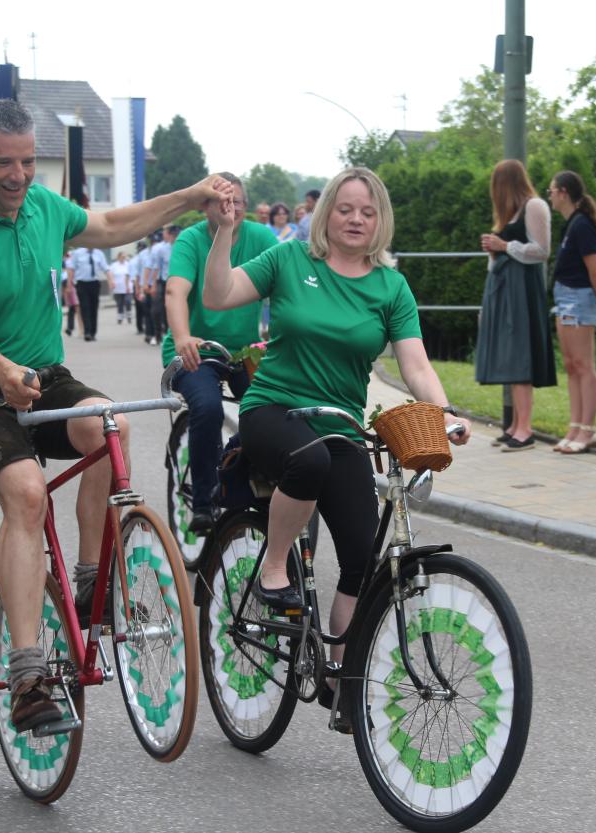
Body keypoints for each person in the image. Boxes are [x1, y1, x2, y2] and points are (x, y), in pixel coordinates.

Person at [0, 99, 231, 734]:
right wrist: (3, 372)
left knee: (107, 424)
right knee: (28, 496)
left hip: (43, 376)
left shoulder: (43, 208)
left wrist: (191, 194)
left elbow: (116, 222)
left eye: (29, 161)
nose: (18, 175)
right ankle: (30, 674)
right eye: (3, 162)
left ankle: (91, 578)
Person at [202, 166, 470, 729]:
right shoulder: (289, 260)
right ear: (328, 213)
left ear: (380, 222)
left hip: (341, 422)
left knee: (359, 557)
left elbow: (415, 363)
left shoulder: (390, 287)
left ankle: (339, 676)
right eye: (346, 208)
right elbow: (219, 294)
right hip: (273, 409)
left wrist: (443, 414)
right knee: (308, 460)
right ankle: (274, 564)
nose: (355, 219)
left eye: (367, 212)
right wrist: (224, 233)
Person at [163, 172, 277, 533]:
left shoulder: (261, 237)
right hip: (198, 349)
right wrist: (183, 337)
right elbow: (175, 292)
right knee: (208, 407)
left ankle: (239, 466)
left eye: (238, 202)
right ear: (206, 206)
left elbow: (284, 286)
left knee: (275, 405)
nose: (232, 208)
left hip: (245, 350)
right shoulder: (191, 240)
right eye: (223, 201)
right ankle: (202, 501)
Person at [475, 159, 556, 452]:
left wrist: (504, 246)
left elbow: (542, 250)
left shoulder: (535, 207)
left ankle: (525, 429)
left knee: (520, 358)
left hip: (522, 294)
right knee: (510, 358)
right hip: (505, 293)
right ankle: (515, 425)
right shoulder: (510, 215)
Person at [547, 170, 596, 454]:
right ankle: (575, 426)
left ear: (563, 192)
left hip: (580, 298)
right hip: (564, 297)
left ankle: (588, 430)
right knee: (572, 366)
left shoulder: (582, 225)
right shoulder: (571, 225)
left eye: (551, 190)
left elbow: (595, 272)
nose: (548, 195)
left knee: (584, 365)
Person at [147, 224, 179, 344]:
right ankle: (157, 335)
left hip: (178, 283)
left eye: (177, 235)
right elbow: (156, 268)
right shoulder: (162, 249)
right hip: (163, 281)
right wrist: (153, 284)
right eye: (173, 235)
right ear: (169, 235)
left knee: (172, 309)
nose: (175, 238)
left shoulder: (182, 247)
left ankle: (170, 334)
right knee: (156, 309)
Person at [72, 243, 109, 341]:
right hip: (81, 283)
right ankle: (87, 332)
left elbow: (106, 268)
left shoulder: (99, 253)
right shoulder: (77, 253)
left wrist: (111, 280)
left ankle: (93, 332)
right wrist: (69, 283)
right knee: (85, 307)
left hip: (95, 283)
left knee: (94, 307)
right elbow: (71, 268)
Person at [128, 240, 150, 335]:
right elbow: (134, 274)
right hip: (142, 284)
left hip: (138, 284)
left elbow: (132, 275)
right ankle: (143, 326)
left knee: (140, 308)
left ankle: (140, 327)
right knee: (145, 307)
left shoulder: (134, 260)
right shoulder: (140, 258)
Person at [108, 250, 133, 325]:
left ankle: (129, 316)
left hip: (127, 287)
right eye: (122, 256)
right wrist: (111, 283)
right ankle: (120, 318)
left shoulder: (128, 264)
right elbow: (110, 274)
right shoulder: (114, 265)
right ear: (118, 257)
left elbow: (131, 275)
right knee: (120, 304)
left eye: (125, 257)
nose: (123, 258)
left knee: (128, 301)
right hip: (118, 288)